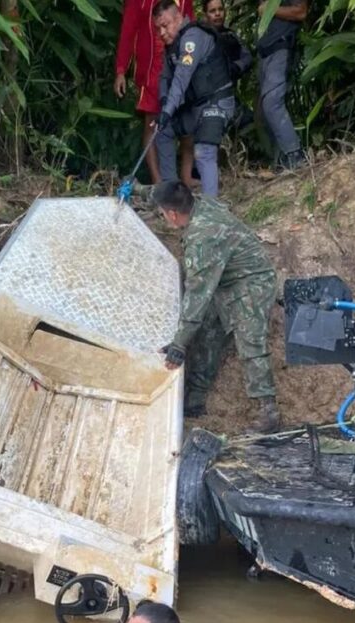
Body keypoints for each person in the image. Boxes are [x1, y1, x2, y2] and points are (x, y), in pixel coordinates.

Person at [121, 178, 279, 430]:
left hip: (252, 282)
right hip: (226, 279)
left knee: (249, 342)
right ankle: (195, 400)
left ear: (172, 215)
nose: (162, 217)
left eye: (162, 215)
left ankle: (268, 411)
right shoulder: (196, 203)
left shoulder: (202, 238)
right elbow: (164, 193)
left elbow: (197, 296)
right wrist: (138, 190)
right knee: (208, 332)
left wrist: (178, 345)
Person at [152, 0, 236, 197]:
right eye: (158, 28)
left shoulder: (192, 38)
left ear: (179, 17)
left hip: (217, 102)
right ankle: (173, 197)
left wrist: (167, 111)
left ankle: (210, 209)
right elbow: (165, 77)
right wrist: (164, 103)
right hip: (196, 109)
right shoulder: (172, 44)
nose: (162, 33)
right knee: (162, 131)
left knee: (204, 151)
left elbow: (182, 77)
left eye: (165, 26)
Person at [115, 0, 196, 186]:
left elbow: (191, 23)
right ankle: (158, 181)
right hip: (152, 70)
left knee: (187, 120)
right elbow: (128, 30)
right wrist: (121, 70)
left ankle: (186, 175)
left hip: (180, 65)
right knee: (152, 123)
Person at [256, 0, 307, 170]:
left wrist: (269, 10)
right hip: (266, 51)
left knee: (272, 102)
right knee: (264, 109)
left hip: (280, 46)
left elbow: (300, 12)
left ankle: (295, 155)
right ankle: (281, 162)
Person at [202, 0, 252, 84]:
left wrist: (236, 66)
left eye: (220, 9)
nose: (217, 14)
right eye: (212, 11)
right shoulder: (199, 37)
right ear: (206, 15)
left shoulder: (231, 35)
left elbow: (247, 57)